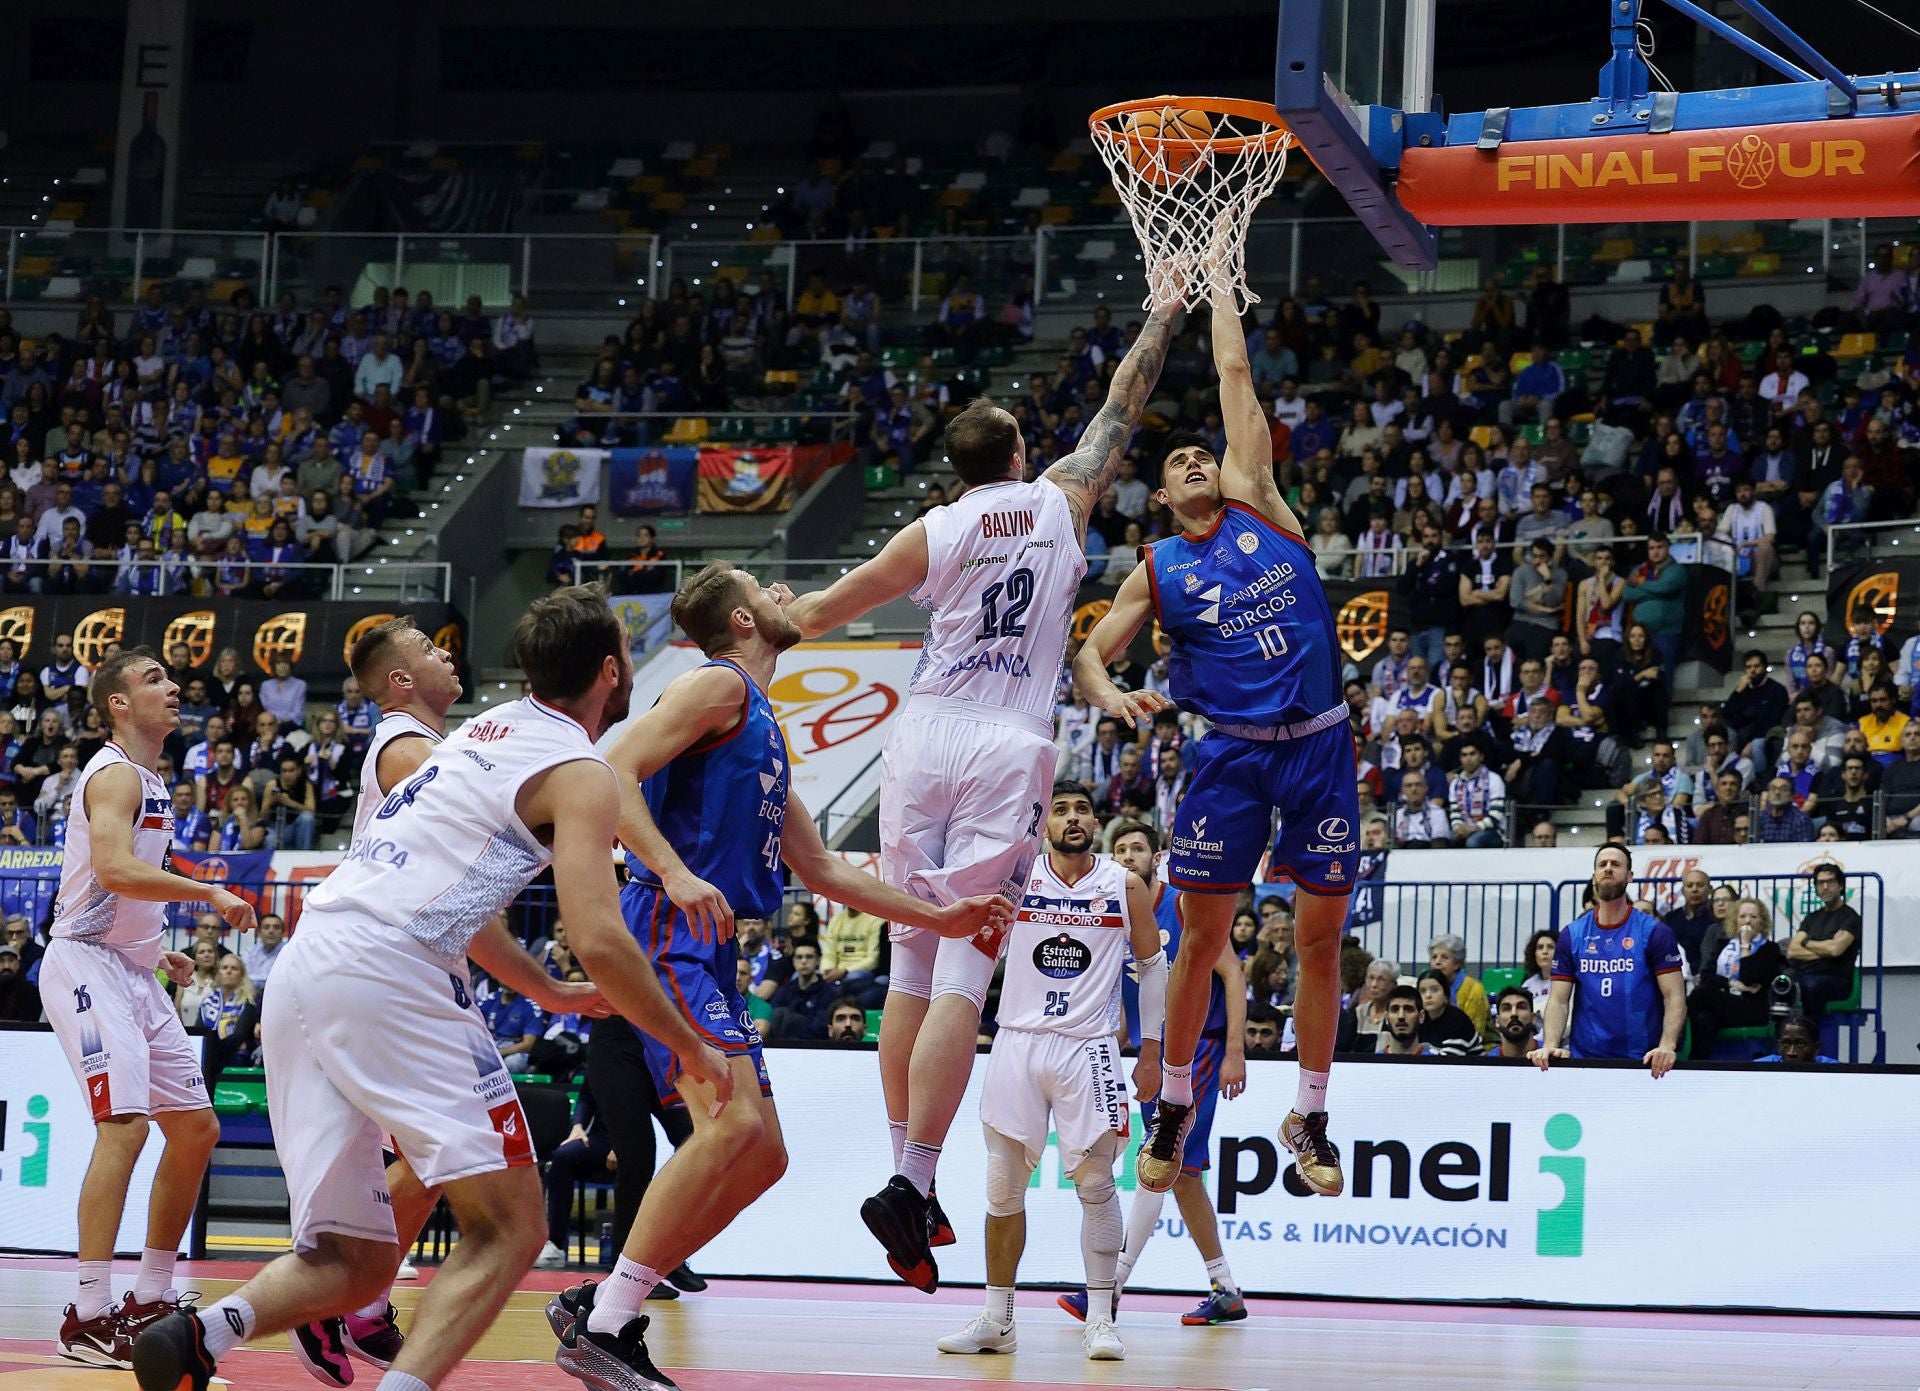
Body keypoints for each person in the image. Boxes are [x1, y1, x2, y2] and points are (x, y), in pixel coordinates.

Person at [131, 588, 709, 1391]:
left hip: (310, 959)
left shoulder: (477, 733)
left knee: (356, 1259)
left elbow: (463, 904)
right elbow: (600, 935)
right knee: (511, 1227)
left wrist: (547, 989)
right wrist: (682, 1041)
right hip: (391, 968)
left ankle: (202, 1332)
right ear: (613, 668)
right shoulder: (580, 769)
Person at [779, 300, 1178, 1290]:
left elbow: (820, 611)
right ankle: (913, 1178)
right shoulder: (1059, 499)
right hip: (1006, 738)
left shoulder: (933, 526)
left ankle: (903, 1169)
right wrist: (1160, 311)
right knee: (962, 969)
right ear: (1019, 451)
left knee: (909, 959)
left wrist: (742, 624)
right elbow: (1123, 403)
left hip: (918, 736)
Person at [547, 563, 1014, 1386]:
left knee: (764, 1155)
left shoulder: (759, 718)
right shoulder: (715, 684)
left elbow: (827, 869)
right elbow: (609, 767)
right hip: (667, 925)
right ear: (743, 616)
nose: (784, 595)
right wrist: (672, 869)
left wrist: (940, 917)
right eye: (767, 589)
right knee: (730, 1124)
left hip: (714, 949)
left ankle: (607, 1299)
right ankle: (611, 1322)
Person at [1076, 270, 1353, 1204]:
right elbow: (1089, 656)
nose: (1198, 460)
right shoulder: (1155, 571)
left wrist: (1222, 277)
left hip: (1318, 744)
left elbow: (1233, 371)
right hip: (1231, 755)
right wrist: (1110, 692)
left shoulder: (1264, 509)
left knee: (1321, 941)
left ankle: (1309, 1111)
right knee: (1200, 941)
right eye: (1180, 461)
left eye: (1206, 455)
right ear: (1160, 498)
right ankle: (1174, 1103)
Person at [40, 649, 257, 1368]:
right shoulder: (112, 773)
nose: (173, 689)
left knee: (195, 1129)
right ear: (119, 705)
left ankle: (151, 1295)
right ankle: (88, 1311)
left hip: (132, 967)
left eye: (171, 677)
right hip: (84, 963)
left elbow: (119, 886)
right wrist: (208, 893)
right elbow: (110, 866)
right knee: (126, 1129)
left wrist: (154, 944)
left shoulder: (152, 777)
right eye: (154, 680)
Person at [933, 781, 1163, 1363]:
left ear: (1096, 822)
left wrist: (1152, 1050)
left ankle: (1103, 1319)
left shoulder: (1123, 883)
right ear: (1045, 825)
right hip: (1017, 1041)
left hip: (1088, 1048)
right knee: (1002, 1187)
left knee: (1097, 1186)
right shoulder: (1017, 877)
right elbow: (972, 948)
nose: (1072, 818)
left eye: (1083, 809)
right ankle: (997, 1317)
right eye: (1060, 810)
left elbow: (1152, 965)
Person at [1061, 820, 1248, 1329]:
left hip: (1200, 1050)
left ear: (1155, 856)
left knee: (1161, 1161)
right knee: (1182, 1175)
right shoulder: (1114, 913)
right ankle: (1225, 1287)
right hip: (1155, 1055)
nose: (1128, 857)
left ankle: (1112, 1287)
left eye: (1137, 848)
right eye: (1119, 849)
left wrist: (1235, 1051)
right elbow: (1124, 997)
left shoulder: (1182, 902)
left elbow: (1231, 973)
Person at [1531, 845, 1685, 1074]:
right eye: (1602, 864)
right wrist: (1551, 1045)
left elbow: (1674, 996)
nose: (1608, 869)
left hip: (1644, 1059)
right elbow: (1558, 1000)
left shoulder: (1654, 932)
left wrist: (1667, 1046)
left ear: (1630, 876)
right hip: (1586, 1058)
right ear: (1594, 876)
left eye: (1616, 864)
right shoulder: (1572, 935)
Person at [1787, 862, 1861, 1016]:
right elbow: (1793, 951)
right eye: (1820, 883)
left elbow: (1835, 950)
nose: (1825, 887)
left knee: (1810, 985)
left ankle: (1811, 1034)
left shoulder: (1850, 917)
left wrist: (1807, 943)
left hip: (1836, 980)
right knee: (1780, 982)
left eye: (1830, 882)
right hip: (1805, 974)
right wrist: (1824, 950)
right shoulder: (1811, 918)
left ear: (1840, 886)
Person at [1375, 985, 1437, 1056]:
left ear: (1421, 1016)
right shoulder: (1374, 1064)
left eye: (1408, 1009)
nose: (1401, 1016)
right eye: (1395, 1009)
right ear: (1386, 1017)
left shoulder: (1435, 1065)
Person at [1754, 1014, 1838, 1064]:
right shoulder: (1759, 1068)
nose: (1792, 1052)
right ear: (1779, 1047)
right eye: (1786, 1044)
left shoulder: (1836, 1071)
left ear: (1817, 1048)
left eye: (1800, 1044)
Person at [1487, 986, 1538, 1060]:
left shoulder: (1550, 1056)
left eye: (1521, 1007)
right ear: (1497, 1021)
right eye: (1506, 1008)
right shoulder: (1489, 1062)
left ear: (1533, 1018)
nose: (1514, 1014)